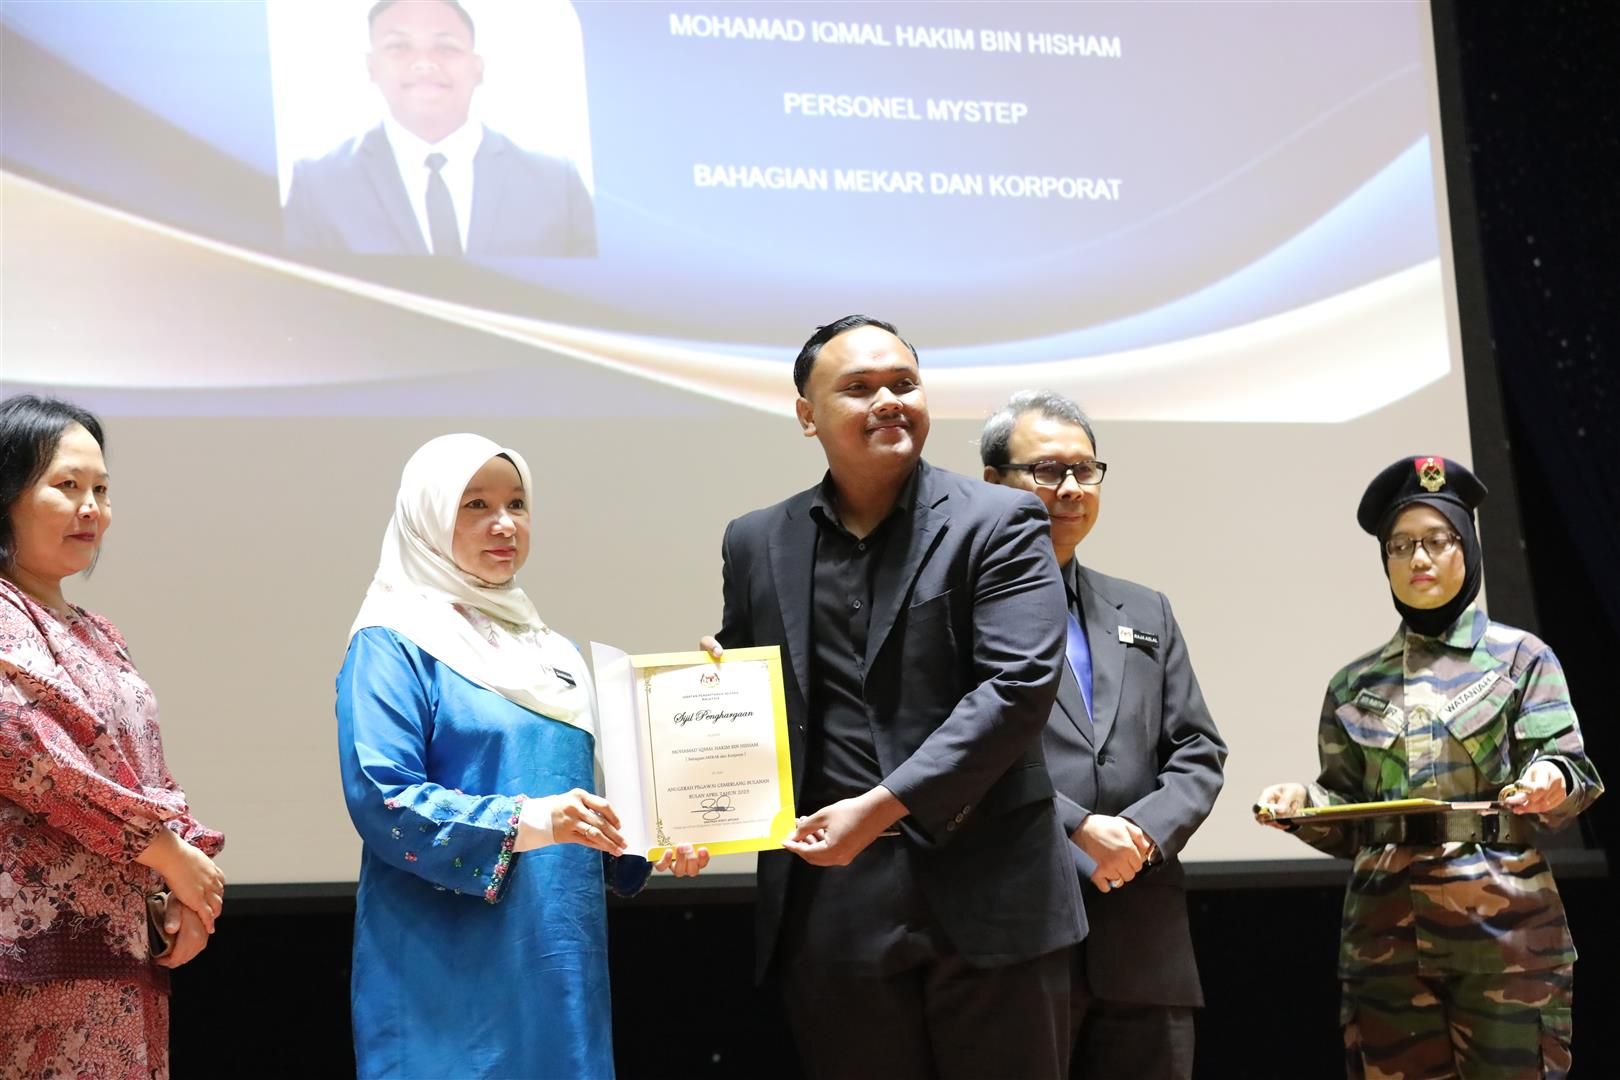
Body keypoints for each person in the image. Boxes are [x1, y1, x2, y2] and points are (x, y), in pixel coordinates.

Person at [703, 316, 1084, 1080]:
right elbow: (751, 699)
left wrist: (881, 807)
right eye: (859, 387)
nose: (888, 401)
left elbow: (1016, 688)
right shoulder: (756, 541)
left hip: (990, 895)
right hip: (832, 907)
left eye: (903, 384)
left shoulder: (1002, 520)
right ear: (806, 414)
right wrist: (703, 784)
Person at [337, 433, 705, 1079]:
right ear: (427, 517)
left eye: (517, 503)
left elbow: (575, 803)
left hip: (558, 955)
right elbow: (383, 796)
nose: (504, 523)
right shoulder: (392, 641)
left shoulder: (553, 653)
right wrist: (532, 820)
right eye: (475, 504)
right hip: (445, 965)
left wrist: (655, 837)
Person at [1255, 455, 1602, 1080]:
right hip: (1385, 946)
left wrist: (1550, 779)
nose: (1419, 558)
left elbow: (1569, 768)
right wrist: (1300, 805)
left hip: (1505, 937)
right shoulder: (1354, 683)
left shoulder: (1522, 658)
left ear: (1466, 547)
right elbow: (1348, 811)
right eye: (1401, 545)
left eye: (1437, 540)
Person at [981, 390, 1226, 1080]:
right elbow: (958, 755)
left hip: (1143, 937)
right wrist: (1078, 828)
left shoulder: (1144, 608)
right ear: (994, 483)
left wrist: (1140, 835)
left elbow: (1198, 751)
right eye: (1047, 470)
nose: (1070, 488)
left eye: (1085, 470)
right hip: (1018, 939)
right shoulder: (957, 609)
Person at [0, 395, 226, 1077]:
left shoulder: (99, 632)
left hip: (120, 947)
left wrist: (189, 882)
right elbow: (31, 759)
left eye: (101, 490)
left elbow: (146, 773)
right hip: (27, 962)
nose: (91, 508)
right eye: (67, 485)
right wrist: (167, 852)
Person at [283, 0, 597, 257]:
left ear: (478, 68)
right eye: (399, 47)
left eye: (446, 48)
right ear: (371, 67)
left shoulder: (557, 183)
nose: (424, 62)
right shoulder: (316, 186)